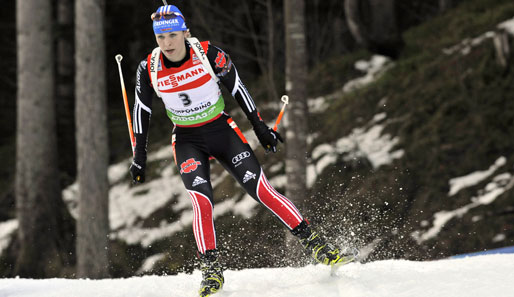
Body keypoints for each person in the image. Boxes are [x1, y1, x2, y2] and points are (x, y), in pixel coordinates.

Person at [130, 4, 355, 297]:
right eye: (160, 37)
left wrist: (261, 129)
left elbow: (239, 89)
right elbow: (141, 110)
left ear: (185, 32)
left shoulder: (208, 54)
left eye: (173, 34)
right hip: (187, 140)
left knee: (261, 190)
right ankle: (211, 271)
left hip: (222, 132)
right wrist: (139, 156)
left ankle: (317, 245)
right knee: (202, 202)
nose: (167, 43)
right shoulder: (148, 67)